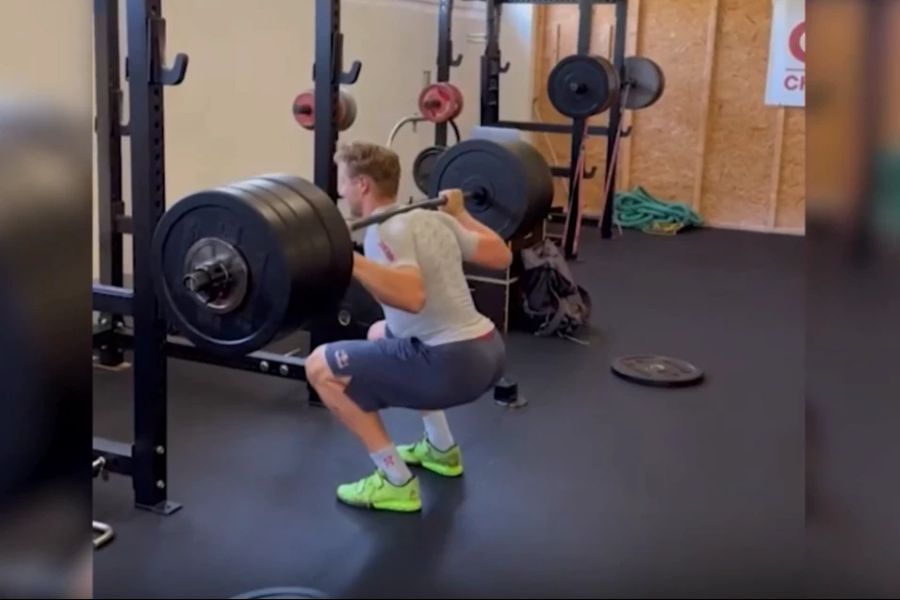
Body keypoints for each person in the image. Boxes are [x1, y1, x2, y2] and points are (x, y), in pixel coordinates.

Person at [305, 141, 511, 513]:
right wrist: (462, 214)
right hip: (489, 351)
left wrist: (344, 257)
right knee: (378, 333)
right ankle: (441, 448)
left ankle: (395, 481)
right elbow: (501, 255)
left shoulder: (385, 230)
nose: (341, 191)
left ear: (363, 185)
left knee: (319, 367)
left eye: (344, 182)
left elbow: (411, 296)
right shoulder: (432, 217)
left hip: (452, 366)